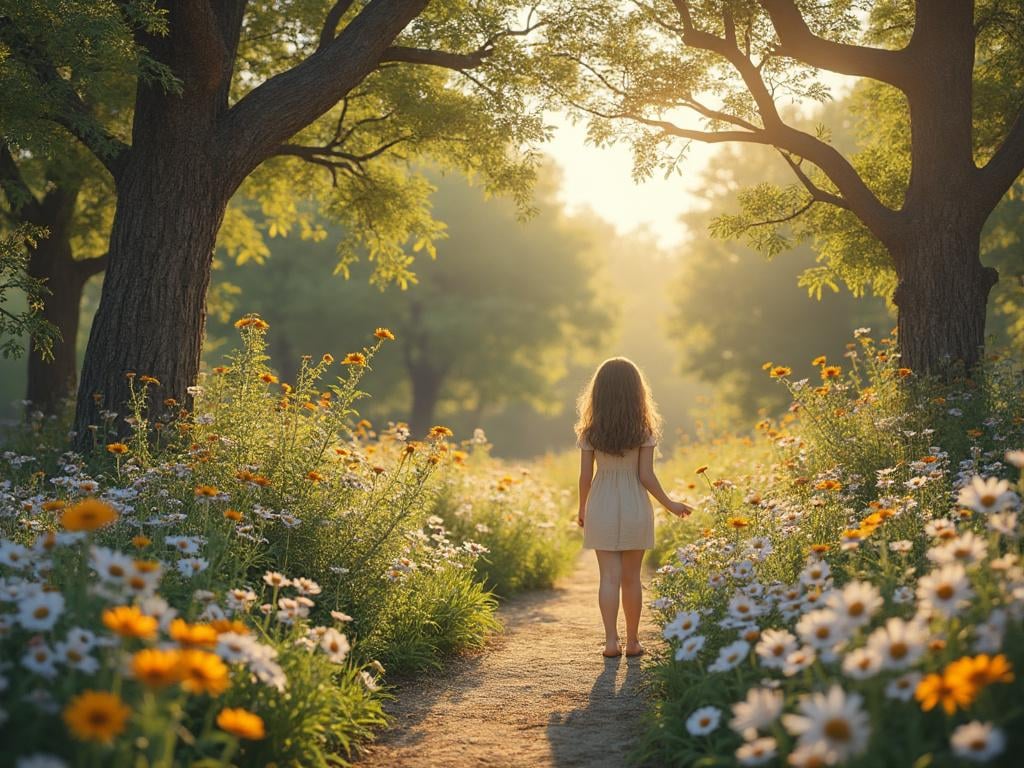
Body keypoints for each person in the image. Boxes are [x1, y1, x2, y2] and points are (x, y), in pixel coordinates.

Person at [575, 357, 692, 658]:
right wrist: (671, 504)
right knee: (631, 578)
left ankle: (610, 642)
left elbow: (585, 477)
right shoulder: (644, 431)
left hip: (600, 503)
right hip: (634, 505)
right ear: (636, 391)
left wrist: (582, 509)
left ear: (598, 392)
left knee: (608, 578)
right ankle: (633, 642)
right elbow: (646, 476)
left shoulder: (590, 432)